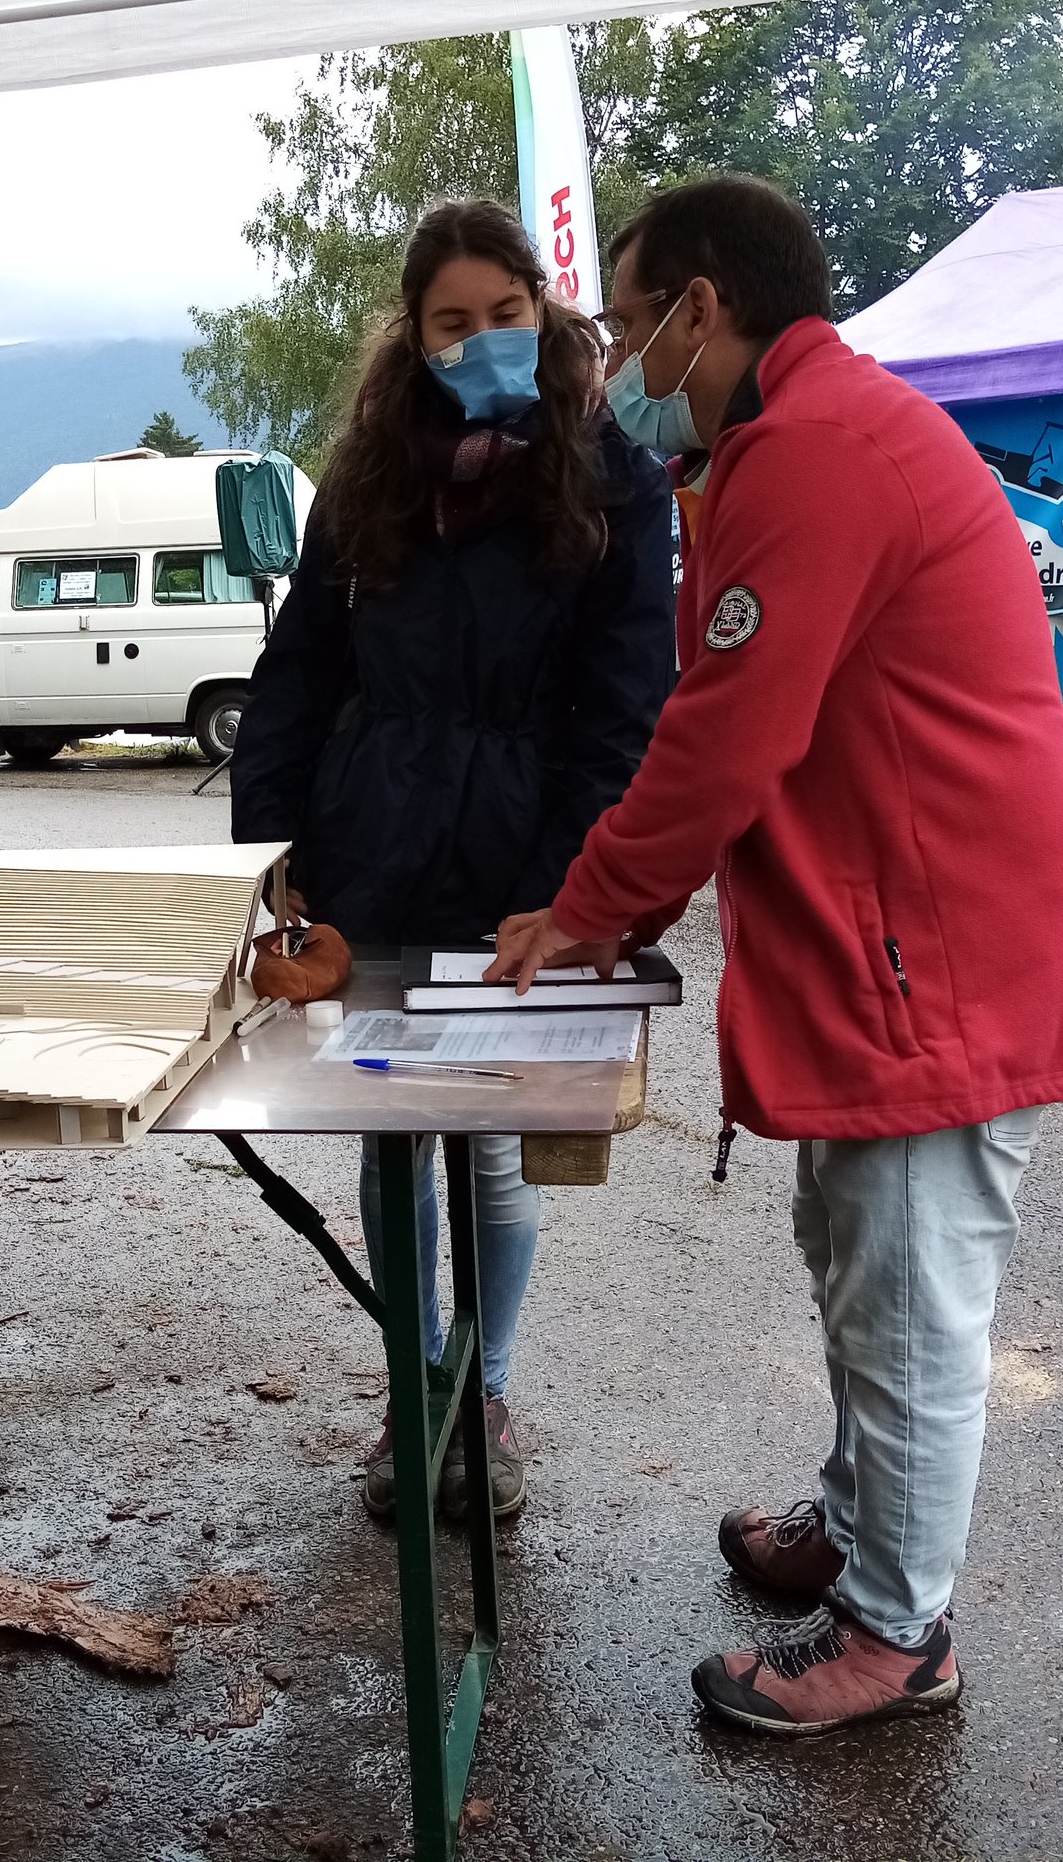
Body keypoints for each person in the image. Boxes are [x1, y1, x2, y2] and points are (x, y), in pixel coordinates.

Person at [489, 177, 1063, 1736]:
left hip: (941, 957)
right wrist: (617, 902)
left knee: (908, 1303)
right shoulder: (793, 441)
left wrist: (589, 909)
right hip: (901, 943)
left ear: (702, 308)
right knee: (856, 1254)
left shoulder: (820, 451)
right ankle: (856, 1521)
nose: (618, 358)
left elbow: (725, 736)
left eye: (627, 324)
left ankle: (898, 1634)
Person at [229, 199, 676, 1524]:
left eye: (504, 313)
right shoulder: (372, 473)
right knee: (388, 1136)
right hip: (367, 850)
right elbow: (298, 670)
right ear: (415, 338)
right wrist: (271, 841)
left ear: (543, 310)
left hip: (521, 869)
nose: (481, 339)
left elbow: (624, 710)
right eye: (451, 322)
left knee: (491, 1150)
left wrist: (571, 887)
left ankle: (483, 1393)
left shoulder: (615, 476)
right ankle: (411, 1391)